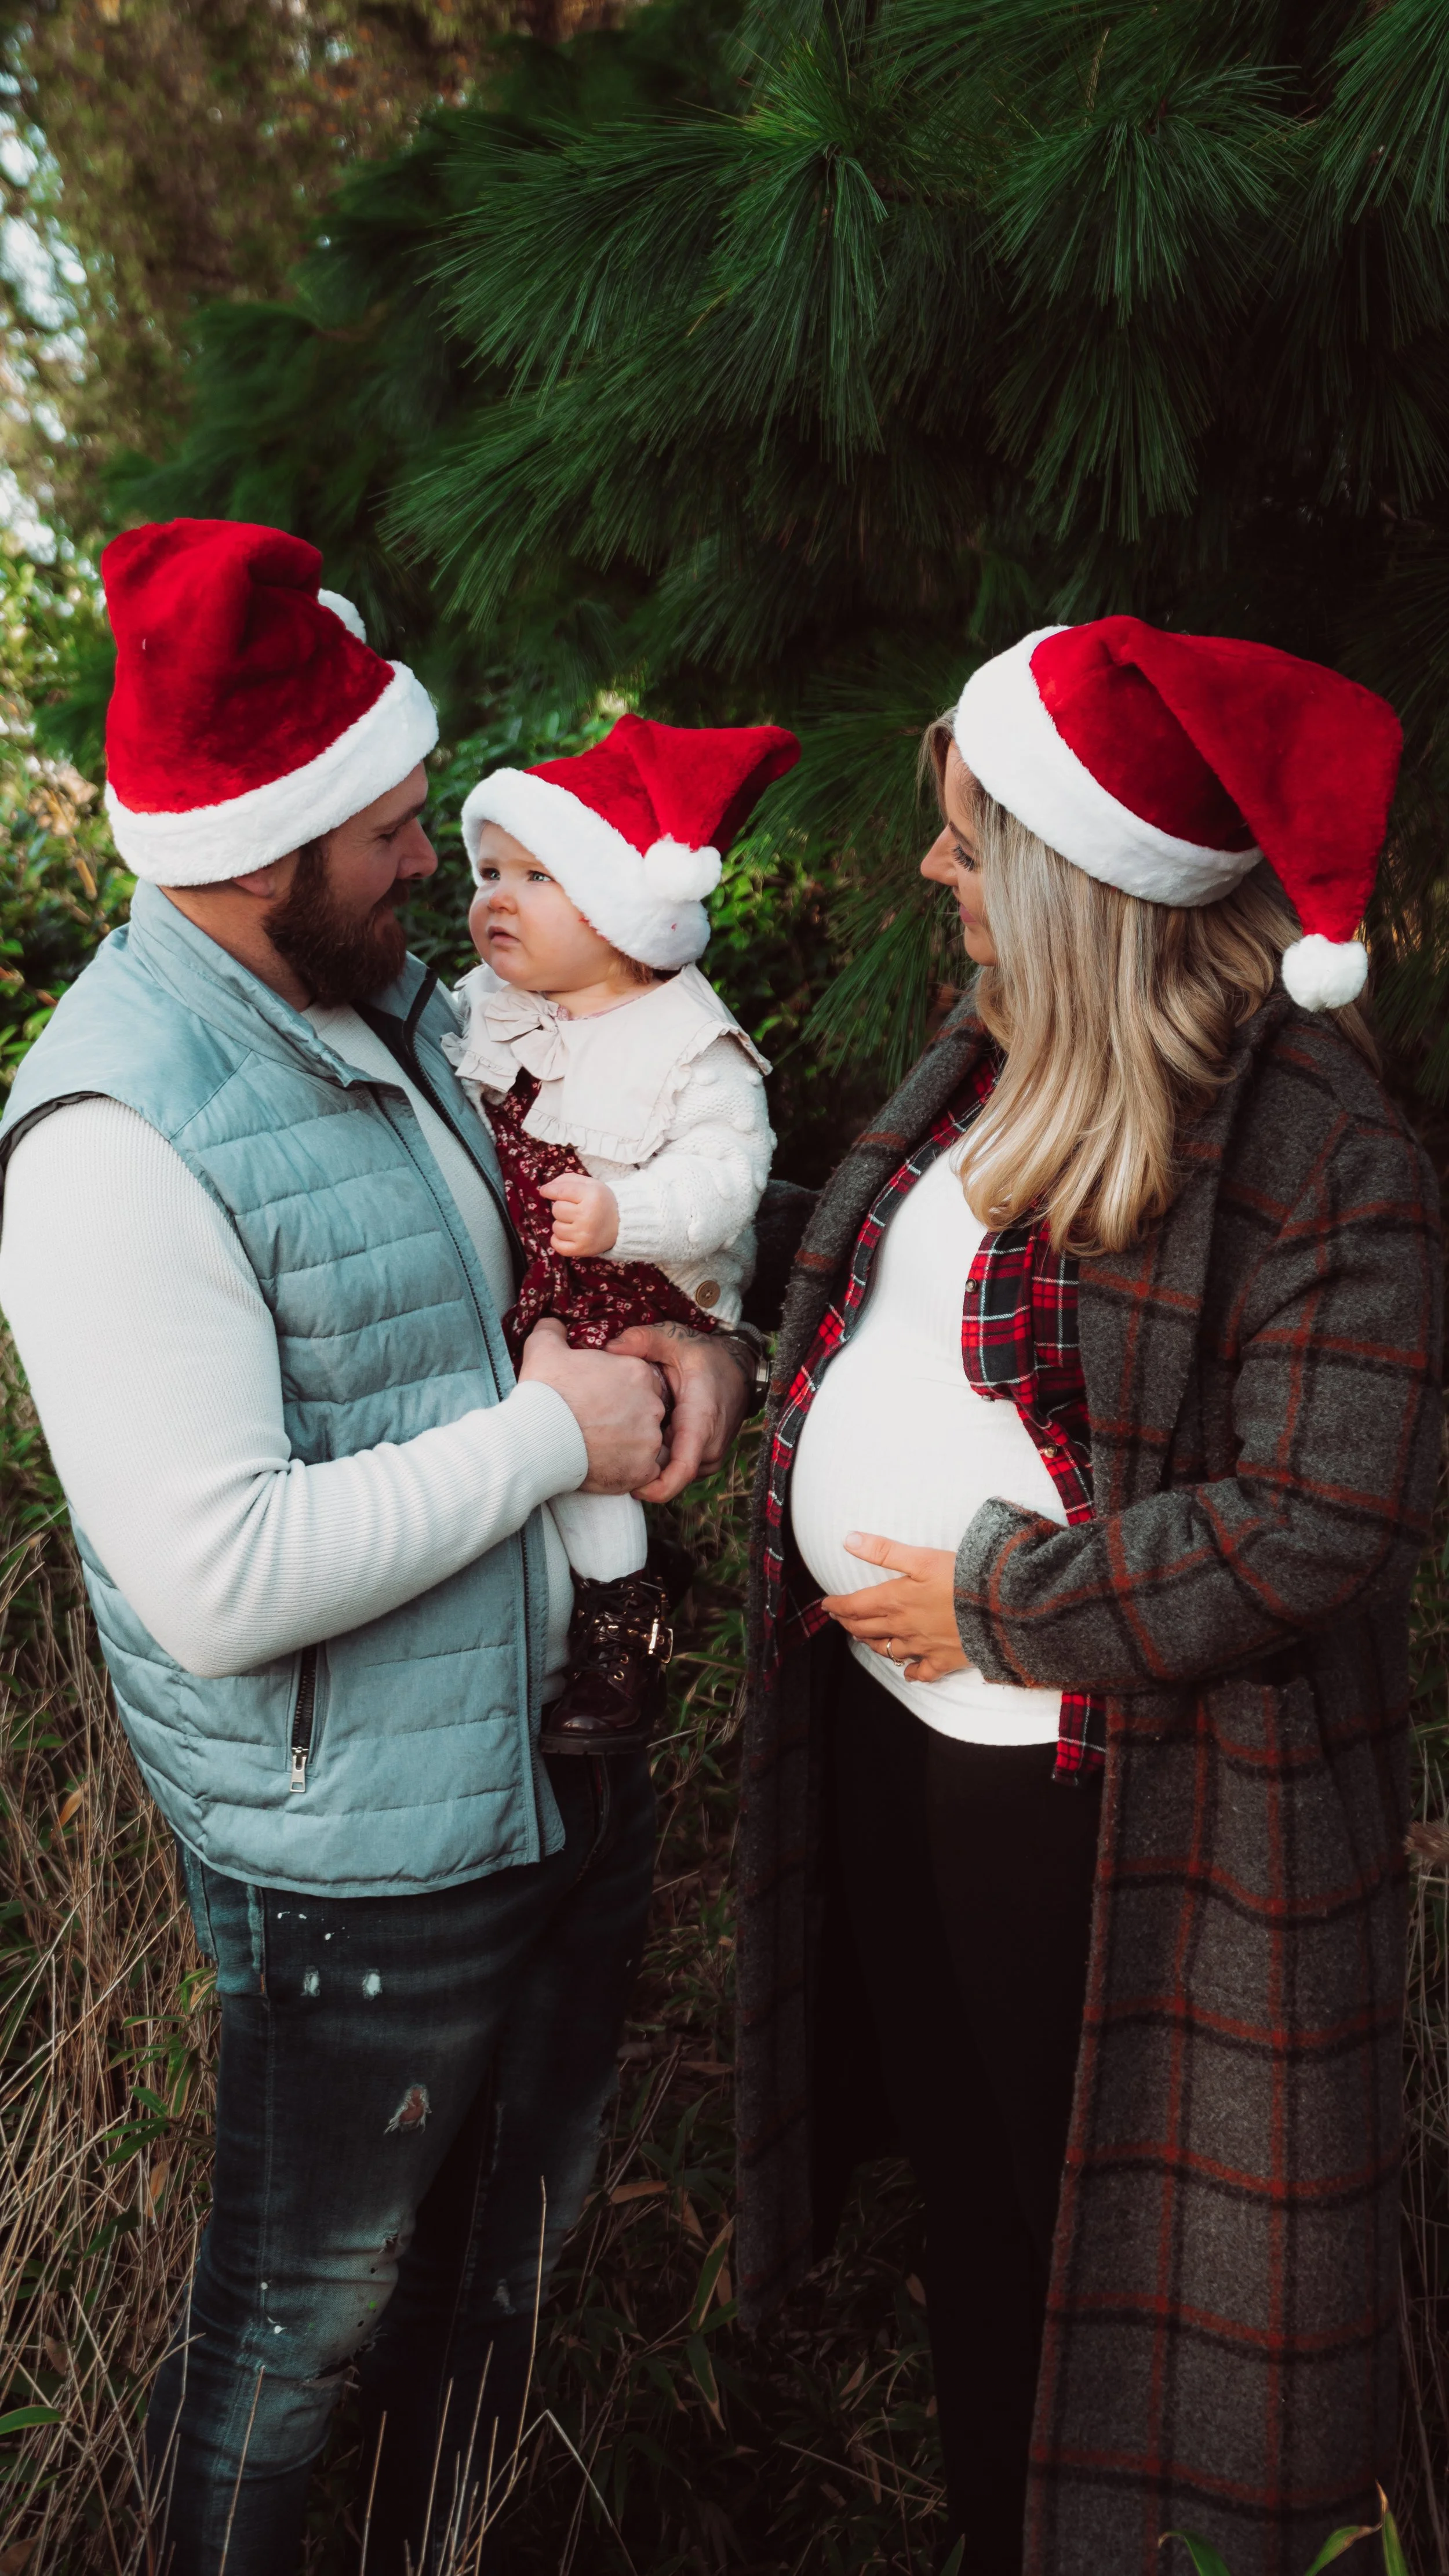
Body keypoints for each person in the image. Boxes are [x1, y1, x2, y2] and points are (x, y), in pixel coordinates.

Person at [0, 517, 756, 2576]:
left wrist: (680, 1347)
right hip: (363, 1863)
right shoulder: (115, 1138)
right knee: (293, 2347)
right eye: (396, 828)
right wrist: (553, 1438)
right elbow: (219, 1578)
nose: (435, 858)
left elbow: (549, 1255)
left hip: (554, 1767)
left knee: (499, 2289)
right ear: (266, 851)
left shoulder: (386, 1000)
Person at [734, 618, 1443, 2576]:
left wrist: (1005, 1605)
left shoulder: (1319, 1148)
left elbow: (1322, 1512)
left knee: (1111, 2269)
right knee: (979, 2225)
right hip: (904, 1744)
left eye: (967, 839)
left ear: (1077, 882)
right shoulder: (989, 1054)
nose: (931, 867)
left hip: (1120, 1810)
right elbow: (898, 1305)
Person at [446, 713, 796, 1748]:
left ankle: (623, 1619)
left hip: (640, 1283)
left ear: (620, 911)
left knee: (578, 1421)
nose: (496, 898)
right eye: (489, 872)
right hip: (542, 1271)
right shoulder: (485, 1002)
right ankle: (604, 1579)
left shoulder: (688, 1042)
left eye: (536, 877)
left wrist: (623, 1215)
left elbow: (729, 1177)